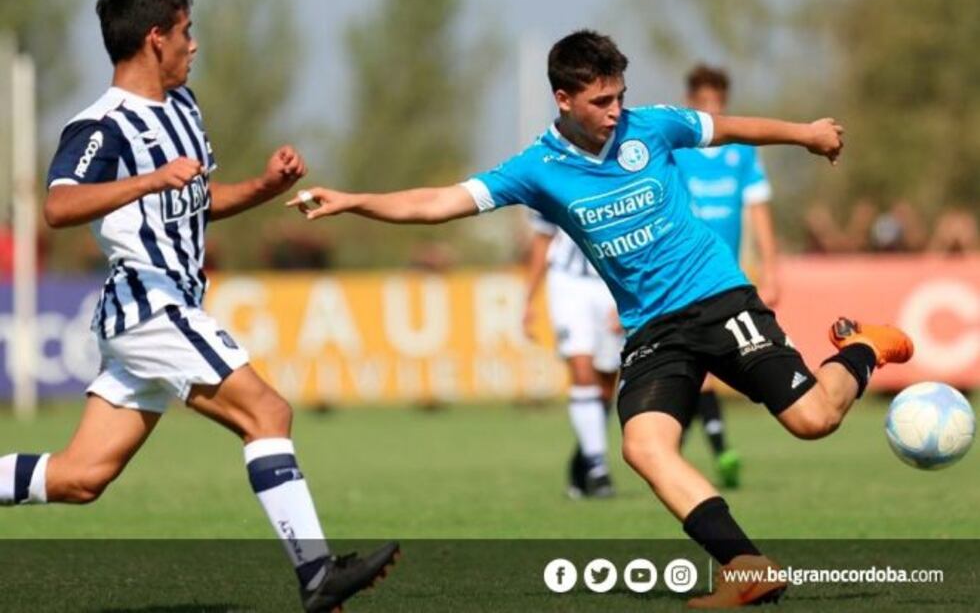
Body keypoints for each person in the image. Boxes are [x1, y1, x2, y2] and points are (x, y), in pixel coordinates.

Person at [289, 30, 913, 607]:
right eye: (601, 100)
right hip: (653, 330)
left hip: (720, 298)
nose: (616, 111)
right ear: (563, 99)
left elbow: (729, 128)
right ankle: (745, 566)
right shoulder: (536, 170)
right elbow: (439, 202)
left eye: (620, 96)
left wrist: (806, 133)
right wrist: (354, 201)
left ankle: (860, 348)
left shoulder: (654, 127)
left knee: (813, 420)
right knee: (644, 446)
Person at [0, 0, 396, 612]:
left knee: (81, 477)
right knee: (267, 413)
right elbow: (57, 205)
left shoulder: (184, 108)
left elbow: (197, 203)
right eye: (186, 31)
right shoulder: (102, 126)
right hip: (149, 305)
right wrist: (149, 178)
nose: (195, 44)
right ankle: (317, 574)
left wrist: (266, 186)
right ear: (156, 39)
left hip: (159, 310)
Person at [671, 64, 778, 488]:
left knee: (700, 364)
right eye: (703, 101)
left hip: (725, 273)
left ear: (724, 103)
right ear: (692, 103)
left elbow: (759, 210)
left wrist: (772, 269)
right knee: (696, 363)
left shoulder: (742, 152)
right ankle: (713, 448)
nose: (710, 107)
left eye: (717, 101)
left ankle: (684, 447)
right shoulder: (679, 150)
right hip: (679, 270)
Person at [523, 210, 623, 498]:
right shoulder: (552, 171)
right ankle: (599, 469)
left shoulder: (623, 172)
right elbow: (543, 238)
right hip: (568, 284)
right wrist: (529, 299)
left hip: (610, 284)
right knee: (581, 370)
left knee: (606, 382)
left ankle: (581, 464)